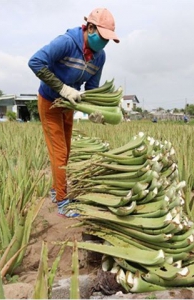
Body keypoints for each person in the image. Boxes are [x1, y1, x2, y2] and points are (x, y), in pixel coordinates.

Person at [28, 8, 119, 218]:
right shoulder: (66, 42)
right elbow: (35, 62)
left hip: (69, 106)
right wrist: (62, 88)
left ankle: (55, 189)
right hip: (50, 102)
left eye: (108, 40)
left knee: (66, 151)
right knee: (59, 152)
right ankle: (62, 201)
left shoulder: (99, 57)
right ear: (90, 28)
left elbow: (92, 89)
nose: (104, 43)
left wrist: (96, 111)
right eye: (103, 37)